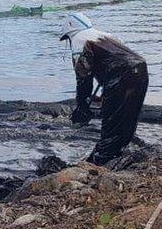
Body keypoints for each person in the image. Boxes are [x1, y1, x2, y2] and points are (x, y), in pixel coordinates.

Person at [60, 12, 149, 166]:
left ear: (70, 31)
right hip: (141, 70)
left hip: (120, 77)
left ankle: (101, 162)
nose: (68, 41)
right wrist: (105, 92)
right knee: (128, 119)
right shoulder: (104, 35)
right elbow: (116, 60)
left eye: (67, 38)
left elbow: (83, 78)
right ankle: (122, 155)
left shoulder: (79, 40)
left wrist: (82, 106)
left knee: (111, 124)